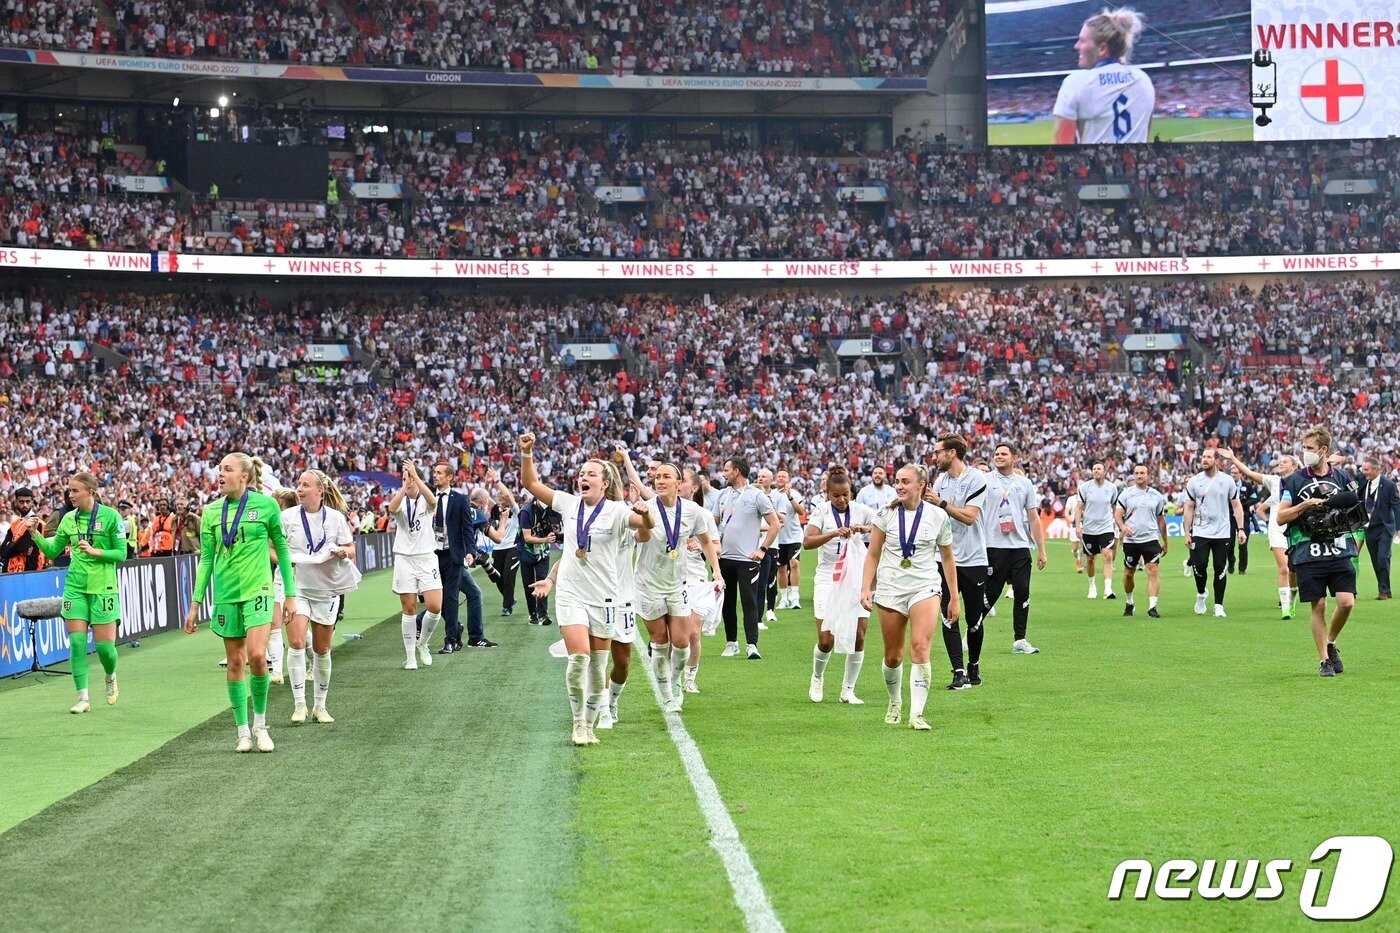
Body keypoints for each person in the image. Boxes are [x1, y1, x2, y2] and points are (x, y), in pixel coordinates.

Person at [519, 431, 654, 746]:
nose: (584, 477)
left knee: (598, 664)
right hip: (571, 594)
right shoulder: (567, 503)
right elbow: (531, 484)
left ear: (605, 482)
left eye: (591, 474)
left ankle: (591, 721)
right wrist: (527, 454)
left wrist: (646, 517)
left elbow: (646, 532)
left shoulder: (618, 511)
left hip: (605, 596)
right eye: (581, 474)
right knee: (579, 656)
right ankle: (579, 724)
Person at [183, 453, 297, 753]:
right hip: (226, 594)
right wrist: (195, 604)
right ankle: (243, 731)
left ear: (244, 476)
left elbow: (282, 549)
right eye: (219, 469)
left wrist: (290, 596)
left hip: (259, 590)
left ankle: (261, 725)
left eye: (227, 469)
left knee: (258, 656)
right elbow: (207, 558)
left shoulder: (266, 505)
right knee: (235, 662)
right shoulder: (211, 512)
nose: (220, 474)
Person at [860, 464, 958, 731]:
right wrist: (866, 587)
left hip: (925, 587)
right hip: (891, 589)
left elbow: (948, 557)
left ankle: (917, 714)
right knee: (893, 656)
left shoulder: (938, 516)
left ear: (921, 485)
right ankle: (895, 702)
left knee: (920, 647)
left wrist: (954, 597)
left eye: (905, 481)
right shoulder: (885, 514)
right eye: (897, 481)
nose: (899, 486)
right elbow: (873, 554)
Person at [31, 473, 126, 714]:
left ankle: (110, 675)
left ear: (90, 492)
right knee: (76, 642)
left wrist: (96, 552)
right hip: (75, 587)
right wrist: (35, 535)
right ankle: (83, 698)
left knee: (105, 649)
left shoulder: (111, 516)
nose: (70, 495)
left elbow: (121, 554)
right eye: (69, 491)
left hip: (103, 587)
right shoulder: (68, 520)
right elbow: (53, 550)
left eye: (75, 491)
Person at [634, 462, 722, 714]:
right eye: (657, 477)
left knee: (683, 643)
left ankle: (674, 680)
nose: (659, 481)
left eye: (666, 477)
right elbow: (636, 538)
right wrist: (641, 521)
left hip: (678, 584)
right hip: (648, 584)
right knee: (660, 643)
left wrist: (715, 570)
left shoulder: (693, 511)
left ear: (678, 482)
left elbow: (707, 542)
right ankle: (667, 696)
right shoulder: (646, 509)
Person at [1276, 427, 1362, 677]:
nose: (1305, 453)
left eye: (1310, 449)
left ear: (1323, 450)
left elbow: (1357, 510)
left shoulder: (1343, 477)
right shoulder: (1293, 480)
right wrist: (1305, 505)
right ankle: (1324, 660)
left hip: (1338, 547)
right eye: (1304, 448)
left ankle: (1330, 642)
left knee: (1346, 602)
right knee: (1319, 605)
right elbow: (1281, 517)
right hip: (1307, 549)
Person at [282, 470, 360, 725]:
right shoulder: (287, 517)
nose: (299, 489)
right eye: (298, 484)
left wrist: (341, 552)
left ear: (319, 491)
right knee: (295, 641)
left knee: (322, 648)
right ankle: (299, 705)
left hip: (326, 588)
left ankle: (320, 706)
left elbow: (351, 549)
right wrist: (288, 559)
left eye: (305, 485)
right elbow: (273, 549)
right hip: (297, 587)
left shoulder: (336, 518)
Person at [804, 466, 876, 704]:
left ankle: (848, 690)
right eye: (836, 495)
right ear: (827, 493)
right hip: (828, 576)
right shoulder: (821, 513)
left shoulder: (860, 510)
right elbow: (808, 542)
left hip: (856, 577)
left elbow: (883, 528)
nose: (842, 499)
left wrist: (865, 529)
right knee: (826, 639)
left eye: (846, 493)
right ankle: (817, 677)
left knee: (858, 635)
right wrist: (834, 533)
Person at [931, 434, 989, 690]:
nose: (935, 457)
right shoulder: (940, 481)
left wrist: (942, 503)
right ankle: (958, 671)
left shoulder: (976, 478)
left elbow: (969, 517)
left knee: (975, 620)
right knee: (948, 616)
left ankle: (974, 664)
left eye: (938, 452)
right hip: (944, 558)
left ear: (951, 453)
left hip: (973, 558)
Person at [711, 456, 781, 660]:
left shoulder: (757, 495)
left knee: (749, 602)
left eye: (726, 470)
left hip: (747, 560)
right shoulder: (722, 495)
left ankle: (752, 644)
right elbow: (713, 523)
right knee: (727, 602)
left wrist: (762, 549)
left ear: (737, 471)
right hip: (723, 558)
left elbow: (775, 524)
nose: (723, 473)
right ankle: (731, 643)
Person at [1052, 7, 1155, 144]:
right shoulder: (1143, 79)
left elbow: (1063, 146)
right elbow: (1144, 136)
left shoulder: (1076, 82)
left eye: (1082, 41)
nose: (1077, 46)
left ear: (1102, 49)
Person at [1217, 449, 1298, 618]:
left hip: (1296, 527)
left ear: (1294, 466)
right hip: (1277, 528)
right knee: (1283, 568)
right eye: (1280, 462)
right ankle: (1285, 608)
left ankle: (1292, 597)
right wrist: (1233, 457)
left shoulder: (1301, 480)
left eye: (1285, 462)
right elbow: (1249, 472)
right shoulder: (1274, 481)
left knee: (1294, 569)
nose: (1281, 463)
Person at [983, 443, 1046, 653]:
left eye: (1003, 454)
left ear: (1014, 458)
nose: (999, 456)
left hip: (1020, 546)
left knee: (1023, 592)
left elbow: (1033, 517)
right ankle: (972, 631)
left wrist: (1041, 549)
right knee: (990, 594)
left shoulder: (1025, 483)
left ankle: (1020, 640)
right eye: (996, 454)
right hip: (993, 546)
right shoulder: (984, 480)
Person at [389, 460, 442, 670]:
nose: (407, 482)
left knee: (435, 607)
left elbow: (433, 501)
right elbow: (392, 509)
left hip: (426, 557)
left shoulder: (425, 501)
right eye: (404, 479)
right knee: (409, 608)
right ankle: (410, 656)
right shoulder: (400, 500)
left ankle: (423, 644)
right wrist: (404, 485)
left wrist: (416, 479)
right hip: (404, 558)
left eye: (410, 479)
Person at [1183, 448, 1246, 618]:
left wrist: (1241, 529)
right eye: (1203, 456)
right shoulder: (1194, 482)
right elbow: (1188, 507)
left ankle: (1219, 605)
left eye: (1209, 457)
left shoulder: (1227, 481)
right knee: (1200, 565)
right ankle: (1201, 593)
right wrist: (1187, 532)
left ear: (1216, 460)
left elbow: (1236, 505)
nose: (1205, 459)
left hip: (1222, 532)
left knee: (1220, 568)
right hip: (1200, 531)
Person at [678, 467, 722, 693]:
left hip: (695, 578)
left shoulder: (702, 514)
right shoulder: (663, 510)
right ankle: (672, 677)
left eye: (682, 480)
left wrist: (716, 571)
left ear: (694, 487)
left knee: (693, 633)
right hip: (669, 579)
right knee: (676, 636)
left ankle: (690, 677)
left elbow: (716, 546)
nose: (677, 483)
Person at [1114, 464, 1168, 618]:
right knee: (1129, 574)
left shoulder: (1156, 496)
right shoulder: (1126, 494)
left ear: (1148, 475)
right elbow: (1118, 514)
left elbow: (1161, 520)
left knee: (1152, 571)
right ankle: (1130, 602)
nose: (1139, 475)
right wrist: (1123, 526)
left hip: (1151, 539)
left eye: (1142, 473)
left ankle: (1152, 607)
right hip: (1131, 541)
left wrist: (1165, 541)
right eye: (1136, 473)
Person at [429, 460, 472, 652]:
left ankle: (450, 640)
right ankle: (456, 628)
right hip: (431, 556)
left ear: (449, 477)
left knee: (451, 598)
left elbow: (467, 528)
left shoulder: (460, 499)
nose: (435, 475)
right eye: (434, 472)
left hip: (453, 555)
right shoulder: (428, 497)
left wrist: (471, 551)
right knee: (435, 601)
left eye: (439, 473)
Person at [461, 488, 499, 648]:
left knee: (447, 598)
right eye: (487, 500)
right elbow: (498, 537)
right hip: (456, 561)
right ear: (483, 500)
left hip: (446, 556)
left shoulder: (461, 508)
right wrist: (503, 520)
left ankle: (421, 625)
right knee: (475, 594)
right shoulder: (477, 514)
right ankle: (476, 637)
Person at [1075, 462, 1118, 600]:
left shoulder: (1112, 488)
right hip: (1089, 528)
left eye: (1099, 469)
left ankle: (1108, 588)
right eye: (1094, 469)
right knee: (1091, 559)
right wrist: (1077, 526)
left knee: (1108, 555)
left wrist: (1118, 524)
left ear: (1105, 471)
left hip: (1106, 527)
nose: (1096, 471)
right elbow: (1079, 508)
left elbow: (1115, 507)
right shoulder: (1085, 487)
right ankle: (1092, 586)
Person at [1359, 456, 1397, 600]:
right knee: (1375, 559)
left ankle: (1384, 590)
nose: (1364, 472)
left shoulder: (1389, 485)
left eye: (1366, 469)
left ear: (1375, 469)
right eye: (1363, 469)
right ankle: (1384, 589)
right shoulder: (1363, 481)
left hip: (1385, 528)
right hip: (1369, 528)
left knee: (1383, 557)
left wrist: (1398, 527)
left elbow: (1397, 506)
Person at [485, 472, 522, 616]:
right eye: (499, 498)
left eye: (502, 498)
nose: (500, 500)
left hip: (512, 548)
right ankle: (510, 599)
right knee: (497, 578)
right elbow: (484, 499)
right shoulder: (497, 511)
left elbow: (510, 496)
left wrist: (496, 481)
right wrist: (488, 485)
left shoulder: (515, 510)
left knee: (508, 577)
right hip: (497, 549)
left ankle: (507, 607)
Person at [518, 493, 557, 625]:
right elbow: (527, 537)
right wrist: (546, 539)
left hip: (542, 552)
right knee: (528, 584)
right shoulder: (526, 511)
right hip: (526, 552)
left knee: (542, 579)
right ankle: (532, 613)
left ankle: (543, 614)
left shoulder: (551, 510)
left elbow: (557, 529)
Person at [754, 468, 784, 628]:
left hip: (771, 545)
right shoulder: (752, 501)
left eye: (763, 476)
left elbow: (781, 521)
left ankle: (770, 609)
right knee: (758, 584)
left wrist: (772, 509)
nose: (760, 479)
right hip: (755, 547)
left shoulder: (777, 497)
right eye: (758, 476)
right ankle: (757, 618)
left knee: (770, 580)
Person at [774, 470, 807, 610]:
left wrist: (790, 497)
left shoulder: (794, 494)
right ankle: (784, 598)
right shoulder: (772, 495)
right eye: (779, 476)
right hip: (778, 537)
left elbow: (801, 512)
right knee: (781, 568)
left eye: (784, 476)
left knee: (794, 564)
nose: (781, 478)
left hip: (793, 536)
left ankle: (794, 597)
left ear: (789, 480)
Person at [2, 487, 47, 573]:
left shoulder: (36, 522)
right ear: (16, 502)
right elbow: (3, 550)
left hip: (30, 571)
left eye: (27, 501)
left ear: (32, 502)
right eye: (21, 502)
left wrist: (11, 546)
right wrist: (14, 547)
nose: (25, 505)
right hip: (11, 571)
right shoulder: (15, 523)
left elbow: (22, 546)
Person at [1064, 490, 1084, 573]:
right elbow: (1066, 512)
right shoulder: (1071, 499)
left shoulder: (1086, 499)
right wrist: (1070, 519)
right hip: (1074, 525)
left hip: (1084, 524)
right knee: (1075, 549)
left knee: (1082, 546)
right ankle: (1077, 558)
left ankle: (1080, 564)